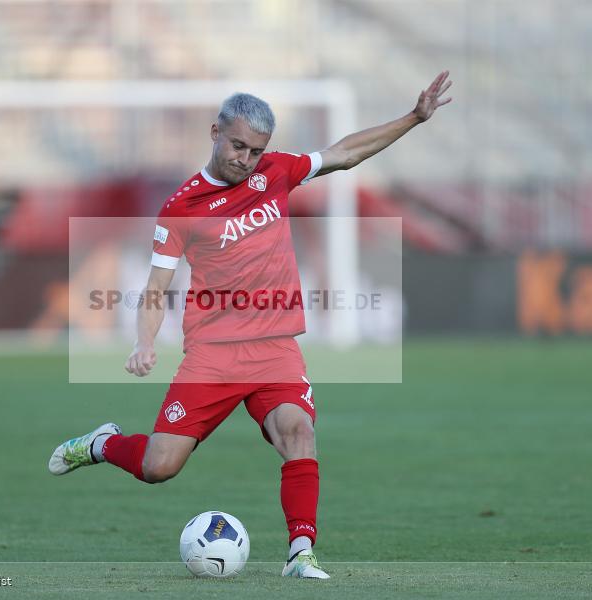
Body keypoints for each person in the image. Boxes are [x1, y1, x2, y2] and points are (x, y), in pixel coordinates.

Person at [49, 71, 453, 579]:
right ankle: (103, 444)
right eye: (238, 145)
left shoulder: (276, 173)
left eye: (256, 150)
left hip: (275, 347)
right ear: (215, 131)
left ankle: (300, 553)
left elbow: (344, 152)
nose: (246, 159)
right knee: (159, 467)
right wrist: (144, 342)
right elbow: (155, 290)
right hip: (213, 354)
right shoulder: (181, 208)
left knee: (298, 433)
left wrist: (414, 118)